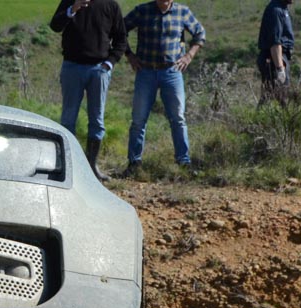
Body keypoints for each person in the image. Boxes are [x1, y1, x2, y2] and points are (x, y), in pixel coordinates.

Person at [123, 0, 206, 172]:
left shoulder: (182, 12)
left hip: (172, 72)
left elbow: (199, 32)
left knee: (178, 118)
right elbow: (119, 30)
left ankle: (183, 162)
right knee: (138, 119)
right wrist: (129, 55)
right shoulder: (142, 11)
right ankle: (134, 163)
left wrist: (189, 56)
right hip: (145, 71)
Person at [50, 0, 128, 181]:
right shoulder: (70, 1)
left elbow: (121, 39)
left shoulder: (111, 5)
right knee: (68, 119)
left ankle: (92, 166)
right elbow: (55, 25)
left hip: (98, 70)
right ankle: (67, 167)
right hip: (72, 67)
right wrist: (73, 9)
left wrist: (109, 64)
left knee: (97, 120)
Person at [257, 0, 295, 103]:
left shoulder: (283, 9)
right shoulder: (275, 10)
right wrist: (280, 69)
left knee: (271, 96)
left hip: (280, 57)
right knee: (278, 96)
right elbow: (275, 42)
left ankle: (262, 118)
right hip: (274, 59)